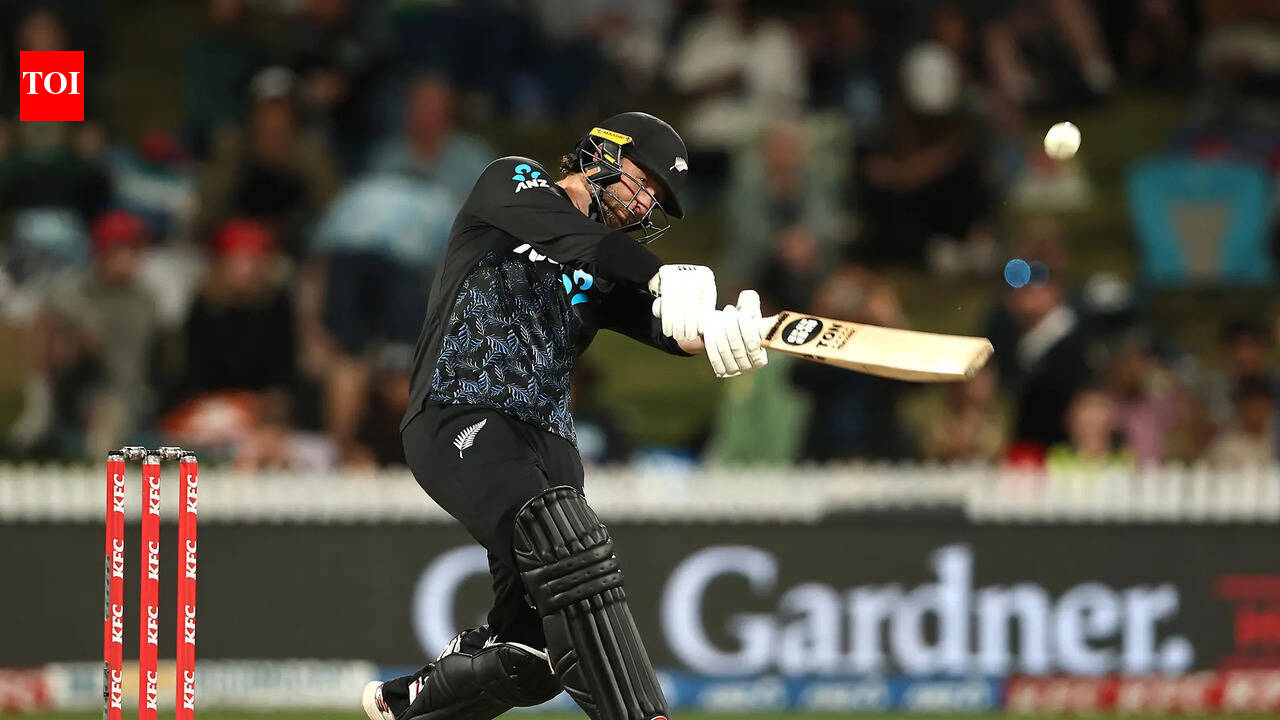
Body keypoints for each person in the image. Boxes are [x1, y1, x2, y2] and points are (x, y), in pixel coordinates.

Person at [361, 112, 767, 720]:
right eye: (643, 181)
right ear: (603, 152)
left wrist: (722, 329)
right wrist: (660, 274)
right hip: (461, 412)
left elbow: (664, 325)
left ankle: (407, 707)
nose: (643, 203)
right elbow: (579, 241)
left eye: (655, 199)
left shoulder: (606, 263)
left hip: (547, 444)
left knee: (529, 660)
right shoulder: (512, 183)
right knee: (569, 543)